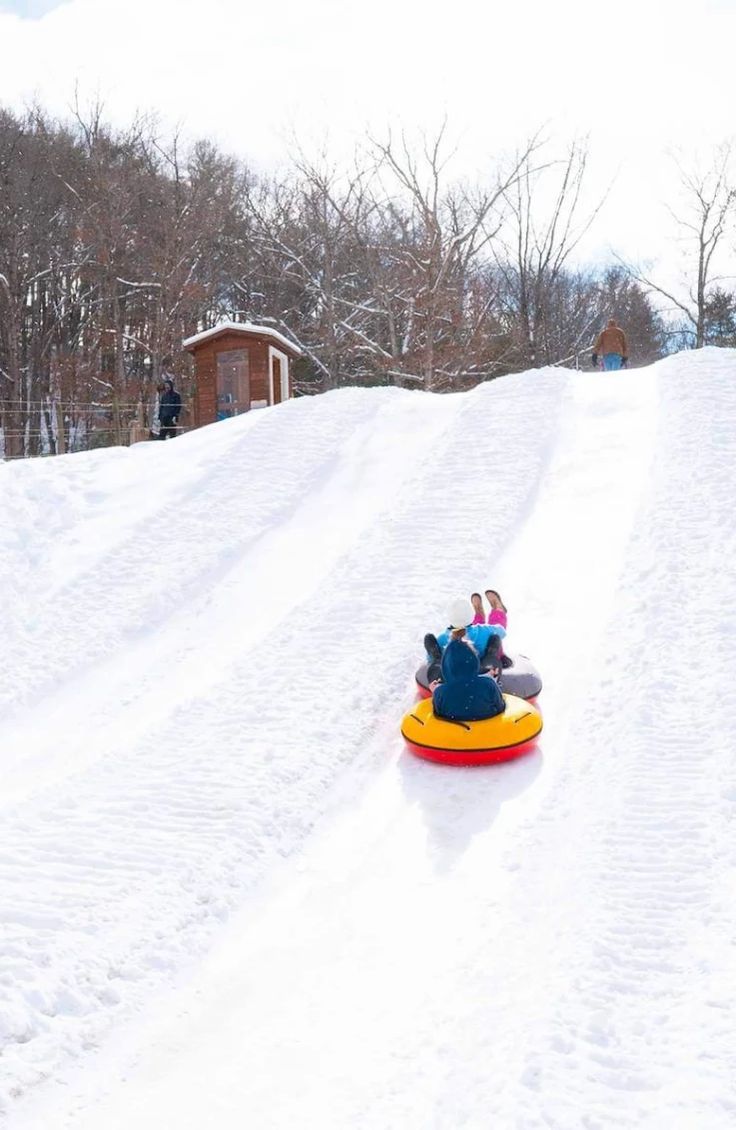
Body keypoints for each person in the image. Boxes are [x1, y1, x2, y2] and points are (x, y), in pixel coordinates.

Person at [424, 598, 506, 683]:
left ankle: (437, 662)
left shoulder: (442, 639)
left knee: (431, 645)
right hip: (481, 674)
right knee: (495, 637)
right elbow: (503, 632)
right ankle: (493, 610)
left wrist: (435, 659)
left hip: (451, 678)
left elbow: (428, 659)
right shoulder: (484, 630)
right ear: (471, 616)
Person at [432, 638, 506, 723]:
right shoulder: (489, 684)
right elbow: (501, 708)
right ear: (474, 661)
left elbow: (437, 715)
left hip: (453, 733)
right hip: (487, 733)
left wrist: (437, 692)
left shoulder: (441, 692)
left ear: (446, 667)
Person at [157, 368, 182, 440]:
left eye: (168, 386)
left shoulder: (176, 395)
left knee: (172, 435)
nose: (167, 387)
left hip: (172, 417)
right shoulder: (164, 396)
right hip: (164, 418)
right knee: (161, 435)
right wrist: (160, 417)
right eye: (165, 386)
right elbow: (161, 407)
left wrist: (175, 416)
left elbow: (178, 407)